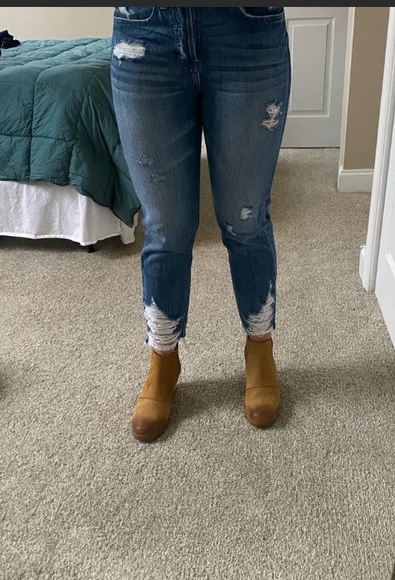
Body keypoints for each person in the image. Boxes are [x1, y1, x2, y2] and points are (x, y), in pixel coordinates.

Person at [110, 7, 291, 442]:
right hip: (144, 30)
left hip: (246, 27)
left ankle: (259, 346)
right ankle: (163, 356)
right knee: (164, 226)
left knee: (245, 219)